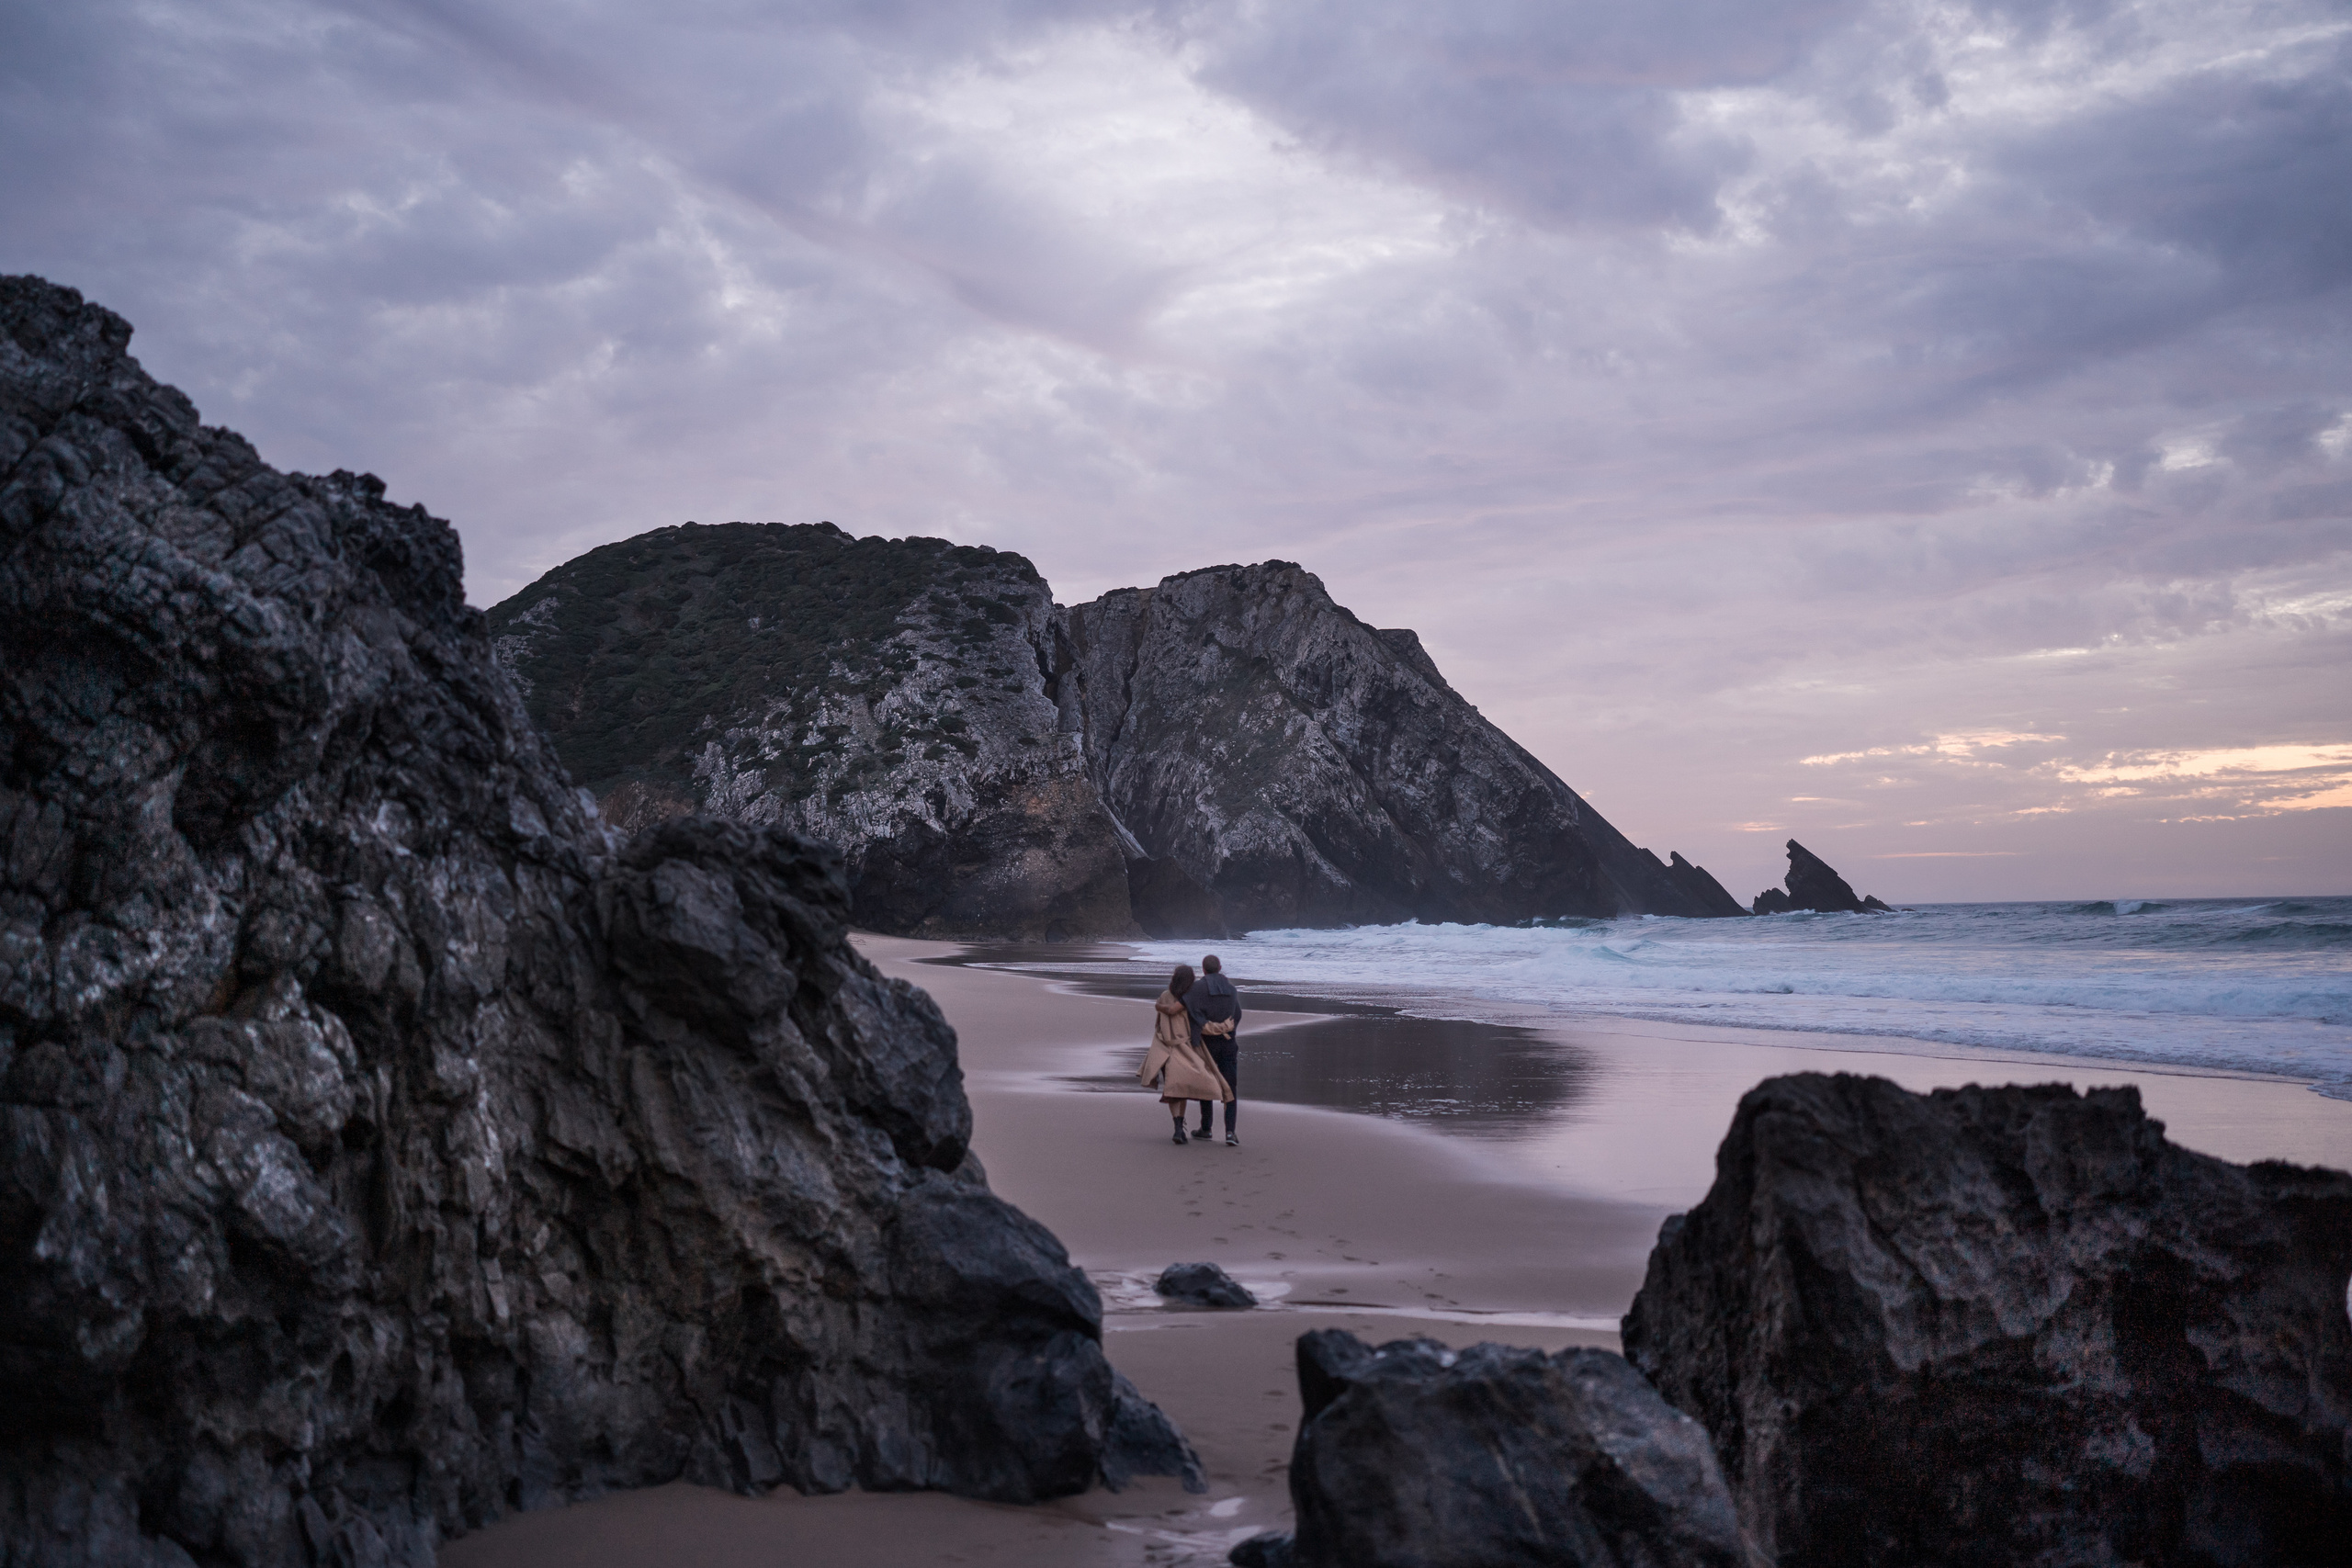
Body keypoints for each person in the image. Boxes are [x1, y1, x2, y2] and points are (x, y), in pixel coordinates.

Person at [1138, 964, 1231, 1145]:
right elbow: (1202, 1026)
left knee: (1173, 1090)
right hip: (1186, 1049)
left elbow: (1158, 1024)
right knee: (1182, 1089)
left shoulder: (1165, 996)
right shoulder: (1192, 998)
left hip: (1165, 1049)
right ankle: (1181, 1129)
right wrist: (1224, 1027)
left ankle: (1178, 1128)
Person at [1185, 954, 1244, 1145]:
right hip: (1228, 1043)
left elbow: (1189, 1011)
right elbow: (1237, 1014)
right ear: (1220, 967)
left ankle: (1206, 1128)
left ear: (1203, 969)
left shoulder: (1197, 988)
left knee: (1206, 1084)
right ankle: (1230, 1132)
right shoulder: (1231, 989)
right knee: (1230, 1086)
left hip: (1206, 1044)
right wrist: (1227, 1030)